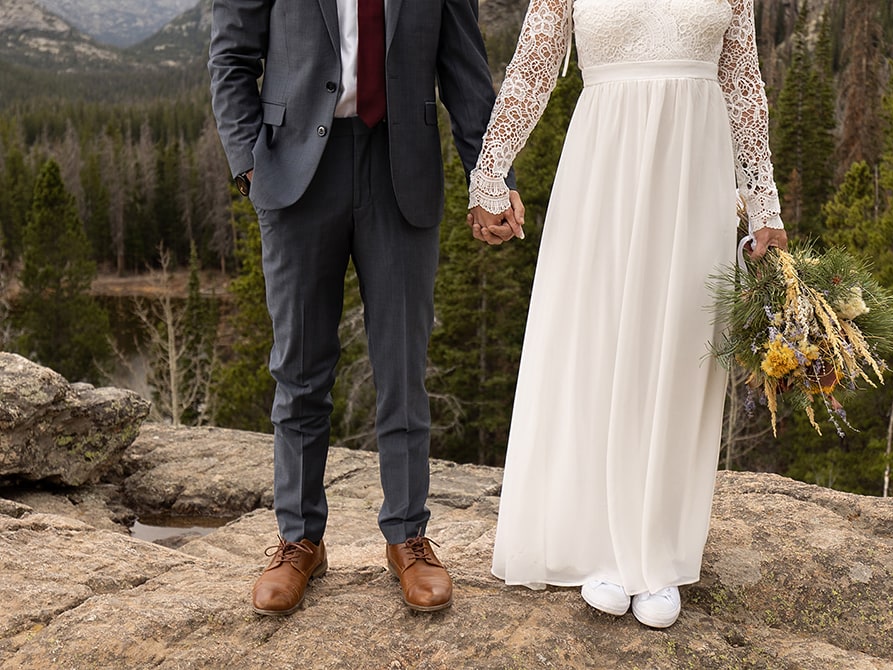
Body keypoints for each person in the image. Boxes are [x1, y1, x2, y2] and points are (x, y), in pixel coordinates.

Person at [468, 0, 788, 628]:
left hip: (696, 175)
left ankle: (659, 554)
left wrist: (764, 206)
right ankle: (602, 545)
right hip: (603, 172)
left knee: (677, 350)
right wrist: (489, 174)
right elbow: (532, 66)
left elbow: (743, 81)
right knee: (598, 346)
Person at [208, 0, 522, 616]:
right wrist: (248, 166)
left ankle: (408, 537)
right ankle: (299, 539)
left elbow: (463, 67)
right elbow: (231, 54)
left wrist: (488, 179)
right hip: (296, 173)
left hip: (400, 168)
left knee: (403, 369)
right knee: (298, 368)